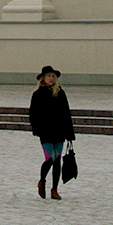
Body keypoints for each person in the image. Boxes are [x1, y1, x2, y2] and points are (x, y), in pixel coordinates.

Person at [29, 65, 75, 201]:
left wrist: (69, 133)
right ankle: (42, 181)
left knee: (57, 160)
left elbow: (66, 113)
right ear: (43, 78)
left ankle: (54, 189)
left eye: (53, 76)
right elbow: (33, 114)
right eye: (48, 76)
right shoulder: (37, 95)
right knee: (50, 158)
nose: (51, 78)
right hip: (46, 132)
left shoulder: (60, 93)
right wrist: (37, 129)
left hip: (59, 131)